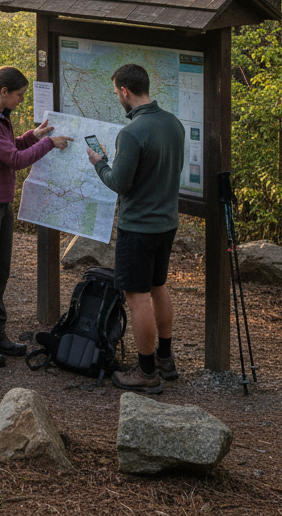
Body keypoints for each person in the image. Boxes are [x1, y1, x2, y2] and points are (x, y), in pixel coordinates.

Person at [86, 63, 186, 393]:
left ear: (125, 91)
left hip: (139, 227)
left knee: (137, 296)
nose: (118, 97)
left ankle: (146, 372)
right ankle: (165, 359)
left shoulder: (131, 133)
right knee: (158, 286)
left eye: (117, 92)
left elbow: (119, 183)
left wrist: (100, 163)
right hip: (166, 224)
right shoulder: (173, 124)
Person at [0, 66, 72, 367]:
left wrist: (33, 136)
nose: (22, 100)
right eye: (20, 95)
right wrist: (48, 143)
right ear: (4, 92)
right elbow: (13, 159)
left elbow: (10, 147)